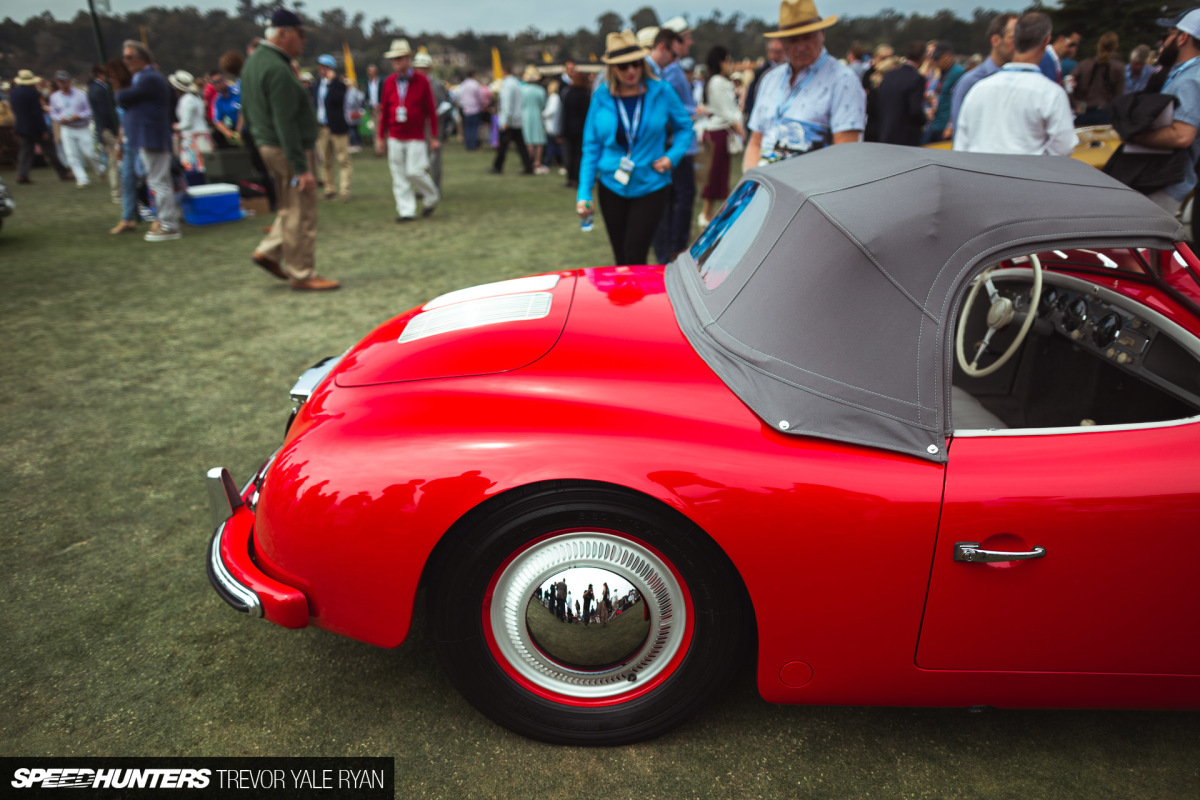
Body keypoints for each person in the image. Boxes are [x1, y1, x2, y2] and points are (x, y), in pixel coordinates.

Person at [575, 30, 693, 266]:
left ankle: (635, 300)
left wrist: (673, 157)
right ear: (612, 69)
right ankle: (624, 303)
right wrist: (583, 193)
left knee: (634, 254)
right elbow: (591, 146)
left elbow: (685, 128)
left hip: (651, 183)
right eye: (623, 66)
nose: (631, 71)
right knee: (621, 257)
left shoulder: (661, 91)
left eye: (635, 64)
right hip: (611, 185)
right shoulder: (601, 96)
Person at [241, 8, 338, 289]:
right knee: (301, 211)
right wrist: (301, 167)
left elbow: (248, 110)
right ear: (283, 34)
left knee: (289, 208)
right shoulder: (277, 68)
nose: (303, 41)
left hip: (268, 144)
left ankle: (268, 251)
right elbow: (285, 121)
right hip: (287, 147)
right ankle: (302, 273)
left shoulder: (255, 62)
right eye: (300, 35)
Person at [744, 0, 866, 171]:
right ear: (781, 42)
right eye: (793, 40)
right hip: (766, 190)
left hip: (811, 192)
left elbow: (846, 156)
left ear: (822, 33)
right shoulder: (770, 80)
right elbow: (755, 142)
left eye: (808, 37)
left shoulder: (843, 80)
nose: (801, 47)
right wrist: (750, 184)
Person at [953, 12, 1077, 157]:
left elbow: (961, 145)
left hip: (980, 176)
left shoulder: (978, 89)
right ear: (1046, 42)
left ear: (1013, 44)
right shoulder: (1051, 93)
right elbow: (1064, 147)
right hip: (1027, 175)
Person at [1130, 8, 1200, 216]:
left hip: (1167, 182)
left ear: (1182, 38)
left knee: (1142, 245)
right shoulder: (1186, 73)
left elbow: (1182, 135)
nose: (1162, 42)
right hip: (1165, 178)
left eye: (1167, 35)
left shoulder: (1191, 79)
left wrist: (1134, 136)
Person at [116, 43, 182, 242]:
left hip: (152, 136)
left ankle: (169, 224)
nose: (125, 61)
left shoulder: (149, 78)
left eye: (129, 57)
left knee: (159, 181)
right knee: (157, 180)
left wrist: (119, 90)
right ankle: (165, 221)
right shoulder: (145, 78)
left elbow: (122, 97)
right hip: (149, 136)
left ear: (141, 58)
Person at [376, 38, 440, 221]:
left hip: (416, 136)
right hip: (395, 136)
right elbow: (384, 112)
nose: (396, 62)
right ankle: (406, 211)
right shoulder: (389, 82)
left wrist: (434, 136)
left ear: (408, 59)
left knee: (415, 171)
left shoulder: (422, 81)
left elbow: (431, 111)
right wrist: (381, 138)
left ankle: (431, 196)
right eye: (394, 59)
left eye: (400, 58)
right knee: (399, 175)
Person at [697, 46, 745, 228]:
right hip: (717, 132)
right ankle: (706, 213)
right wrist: (740, 130)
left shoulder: (715, 80)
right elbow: (727, 111)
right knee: (713, 174)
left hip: (718, 131)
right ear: (721, 61)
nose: (730, 64)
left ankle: (709, 213)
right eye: (728, 60)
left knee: (718, 175)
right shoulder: (718, 81)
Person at [949, 13, 1017, 135]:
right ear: (995, 40)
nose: (1019, 44)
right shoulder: (970, 81)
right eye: (1013, 38)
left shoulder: (1021, 80)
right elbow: (960, 131)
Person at [49, 71, 100, 188]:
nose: (61, 84)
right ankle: (82, 178)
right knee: (71, 155)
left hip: (82, 127)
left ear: (68, 81)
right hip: (66, 128)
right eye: (59, 82)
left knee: (89, 153)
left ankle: (99, 169)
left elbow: (89, 111)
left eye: (63, 81)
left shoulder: (81, 94)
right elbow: (53, 113)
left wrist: (79, 116)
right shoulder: (54, 97)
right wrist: (59, 118)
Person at [314, 54, 353, 200]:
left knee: (343, 160)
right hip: (322, 128)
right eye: (320, 67)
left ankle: (345, 190)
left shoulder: (339, 85)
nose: (321, 70)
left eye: (324, 67)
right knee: (325, 161)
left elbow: (338, 99)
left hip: (337, 128)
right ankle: (329, 189)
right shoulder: (317, 85)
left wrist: (332, 82)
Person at [875, 41, 927, 146]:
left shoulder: (889, 75)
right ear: (922, 58)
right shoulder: (916, 78)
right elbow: (915, 110)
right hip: (906, 137)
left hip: (885, 132)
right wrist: (925, 119)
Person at [413, 52, 451, 188]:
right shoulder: (414, 84)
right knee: (419, 160)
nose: (420, 70)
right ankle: (423, 188)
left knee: (434, 160)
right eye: (418, 67)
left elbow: (446, 104)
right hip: (418, 127)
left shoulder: (436, 84)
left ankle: (435, 188)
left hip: (434, 126)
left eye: (423, 67)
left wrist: (436, 114)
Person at [1071, 32, 1124, 126]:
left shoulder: (1084, 64)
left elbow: (1067, 82)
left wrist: (1075, 104)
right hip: (1105, 113)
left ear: (1098, 45)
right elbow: (1119, 96)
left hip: (1083, 112)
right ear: (1115, 47)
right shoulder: (1118, 68)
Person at [491, 62, 533, 175]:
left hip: (510, 120)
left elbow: (507, 103)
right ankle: (528, 166)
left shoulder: (508, 85)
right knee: (520, 145)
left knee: (504, 145)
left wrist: (506, 120)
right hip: (517, 118)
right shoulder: (516, 83)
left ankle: (498, 166)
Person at [88, 64, 121, 202]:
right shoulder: (99, 90)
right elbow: (106, 112)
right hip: (108, 129)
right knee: (114, 160)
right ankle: (117, 192)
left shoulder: (96, 88)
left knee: (113, 160)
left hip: (103, 129)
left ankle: (118, 191)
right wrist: (115, 129)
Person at [169, 70, 211, 173]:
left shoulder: (186, 100)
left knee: (195, 171)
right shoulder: (195, 97)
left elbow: (186, 124)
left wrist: (175, 127)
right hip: (200, 137)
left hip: (193, 140)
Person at [560, 60, 591, 189]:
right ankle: (577, 179)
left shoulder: (567, 93)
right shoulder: (584, 95)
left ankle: (570, 178)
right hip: (581, 129)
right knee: (578, 155)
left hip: (568, 128)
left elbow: (563, 113)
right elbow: (586, 114)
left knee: (570, 154)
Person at [924, 41, 963, 143]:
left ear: (947, 56)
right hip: (936, 124)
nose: (935, 62)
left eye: (937, 59)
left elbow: (958, 100)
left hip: (945, 127)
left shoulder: (957, 73)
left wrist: (950, 126)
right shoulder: (942, 72)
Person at [743, 37, 786, 121]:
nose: (780, 54)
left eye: (781, 51)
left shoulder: (789, 69)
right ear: (769, 52)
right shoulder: (762, 72)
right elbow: (753, 94)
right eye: (776, 52)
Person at [520, 65, 549, 174]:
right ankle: (537, 161)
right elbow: (543, 104)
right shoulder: (540, 90)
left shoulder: (522, 90)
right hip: (537, 114)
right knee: (538, 139)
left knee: (528, 140)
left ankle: (529, 160)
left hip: (525, 115)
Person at [456, 69, 485, 150]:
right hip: (475, 108)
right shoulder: (475, 84)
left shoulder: (463, 85)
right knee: (474, 128)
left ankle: (468, 145)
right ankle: (474, 145)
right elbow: (479, 97)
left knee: (467, 128)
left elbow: (458, 96)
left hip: (465, 109)